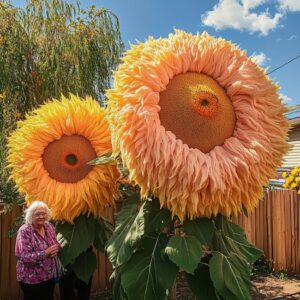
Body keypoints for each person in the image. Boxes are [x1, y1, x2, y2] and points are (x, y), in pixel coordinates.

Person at [15, 200, 60, 300]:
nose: (41, 216)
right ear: (31, 215)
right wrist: (46, 253)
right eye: (38, 214)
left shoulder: (48, 226)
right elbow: (24, 257)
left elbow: (55, 243)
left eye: (43, 214)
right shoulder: (24, 231)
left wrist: (56, 249)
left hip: (49, 276)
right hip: (31, 280)